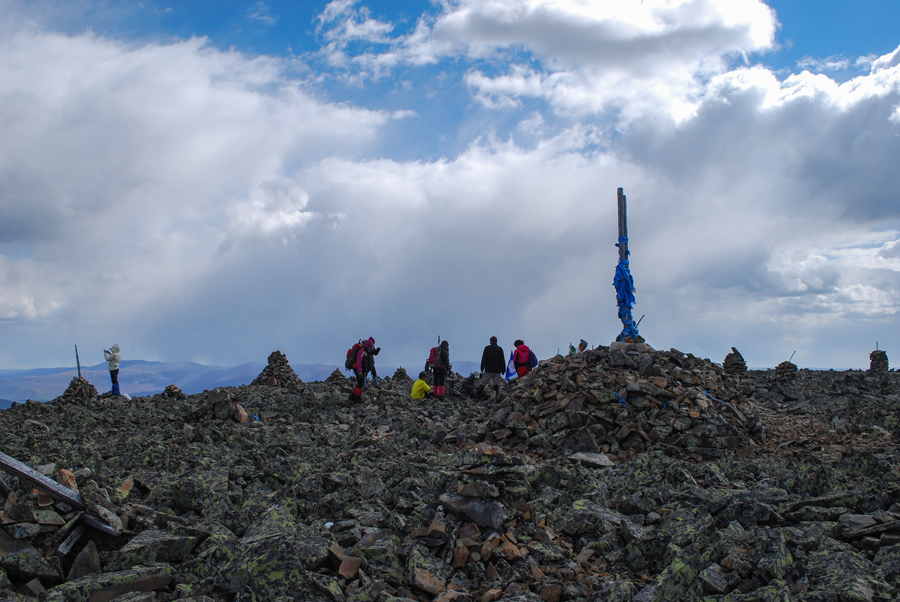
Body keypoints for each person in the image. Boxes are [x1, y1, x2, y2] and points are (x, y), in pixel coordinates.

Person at [348, 337, 380, 403]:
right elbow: (359, 362)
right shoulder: (361, 351)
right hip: (357, 369)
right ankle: (357, 398)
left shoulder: (364, 351)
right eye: (370, 347)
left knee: (360, 383)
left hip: (359, 369)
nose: (371, 348)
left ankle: (352, 396)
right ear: (368, 346)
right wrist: (360, 371)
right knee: (361, 383)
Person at [476, 336, 505, 400]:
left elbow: (484, 358)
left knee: (483, 382)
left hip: (489, 369)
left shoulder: (487, 348)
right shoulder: (500, 349)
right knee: (496, 383)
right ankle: (495, 397)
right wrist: (503, 370)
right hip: (497, 369)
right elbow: (502, 360)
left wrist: (482, 367)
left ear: (491, 341)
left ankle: (477, 396)